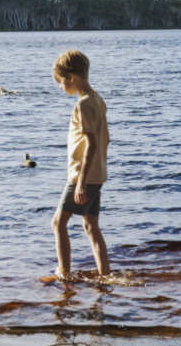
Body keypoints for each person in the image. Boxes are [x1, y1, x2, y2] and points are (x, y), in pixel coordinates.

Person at [50, 50, 110, 280]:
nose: (61, 87)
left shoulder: (83, 105)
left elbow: (92, 144)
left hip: (82, 177)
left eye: (61, 81)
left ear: (72, 76)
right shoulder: (98, 99)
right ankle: (105, 275)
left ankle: (63, 274)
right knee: (90, 226)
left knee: (57, 222)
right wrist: (96, 173)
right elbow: (107, 139)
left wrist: (81, 182)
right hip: (98, 174)